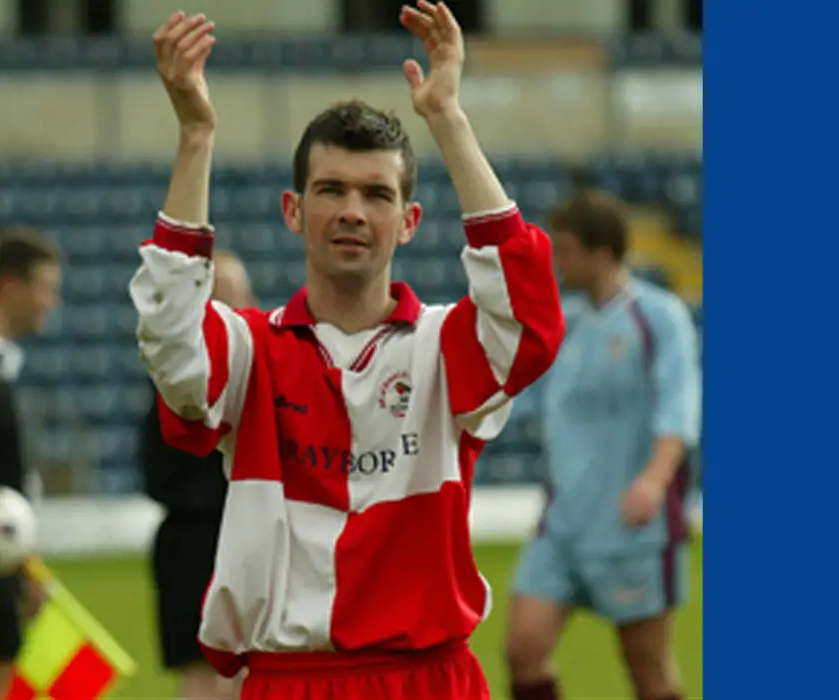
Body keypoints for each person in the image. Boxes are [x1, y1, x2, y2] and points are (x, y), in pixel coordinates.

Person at [130, 3, 566, 699]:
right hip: (289, 678)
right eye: (330, 190)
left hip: (428, 676)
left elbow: (530, 317)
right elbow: (171, 342)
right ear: (293, 210)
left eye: (376, 194)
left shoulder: (445, 347)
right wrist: (195, 135)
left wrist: (447, 118)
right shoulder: (248, 350)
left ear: (410, 220)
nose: (353, 212)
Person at [505, 192, 701, 700]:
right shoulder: (561, 323)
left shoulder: (659, 318)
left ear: (602, 252)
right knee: (522, 648)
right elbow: (520, 401)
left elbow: (678, 410)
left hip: (631, 526)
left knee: (648, 671)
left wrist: (654, 482)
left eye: (566, 250)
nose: (558, 262)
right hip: (562, 523)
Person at [142, 250, 253, 700]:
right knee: (203, 673)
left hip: (249, 541)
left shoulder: (264, 370)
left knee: (254, 667)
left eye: (239, 293)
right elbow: (158, 473)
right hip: (195, 544)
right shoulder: (175, 383)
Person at [0, 227, 62, 699]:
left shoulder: (6, 366)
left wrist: (28, 566)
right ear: (11, 287)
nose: (50, 304)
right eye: (45, 290)